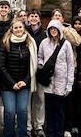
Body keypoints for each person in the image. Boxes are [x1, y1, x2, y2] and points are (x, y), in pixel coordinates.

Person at [0, 18, 38, 137]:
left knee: (22, 111)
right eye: (16, 27)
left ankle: (22, 134)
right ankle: (8, 134)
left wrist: (25, 81)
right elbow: (1, 65)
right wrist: (12, 83)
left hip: (23, 84)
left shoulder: (29, 43)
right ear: (12, 29)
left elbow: (32, 66)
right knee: (10, 112)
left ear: (24, 28)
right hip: (8, 85)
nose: (18, 30)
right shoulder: (5, 43)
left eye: (20, 27)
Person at [38, 19, 75, 137]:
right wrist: (41, 65)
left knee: (59, 111)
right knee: (49, 111)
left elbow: (70, 64)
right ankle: (50, 133)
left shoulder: (66, 44)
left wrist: (70, 82)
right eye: (51, 29)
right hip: (48, 82)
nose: (53, 31)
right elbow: (40, 57)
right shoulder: (44, 43)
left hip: (61, 82)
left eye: (55, 28)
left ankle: (59, 133)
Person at [50, 9, 81, 137]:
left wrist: (63, 29)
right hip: (53, 72)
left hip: (68, 70)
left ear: (63, 19)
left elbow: (77, 41)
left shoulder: (69, 29)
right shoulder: (50, 30)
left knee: (68, 101)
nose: (57, 18)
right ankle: (56, 128)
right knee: (55, 102)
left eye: (59, 16)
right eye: (55, 16)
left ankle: (67, 127)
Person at [26, 9, 47, 137]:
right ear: (28, 18)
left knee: (40, 98)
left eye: (36, 16)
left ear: (39, 19)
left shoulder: (44, 34)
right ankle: (28, 126)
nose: (33, 18)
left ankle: (39, 125)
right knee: (27, 100)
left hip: (40, 71)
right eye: (31, 16)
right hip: (26, 71)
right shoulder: (24, 32)